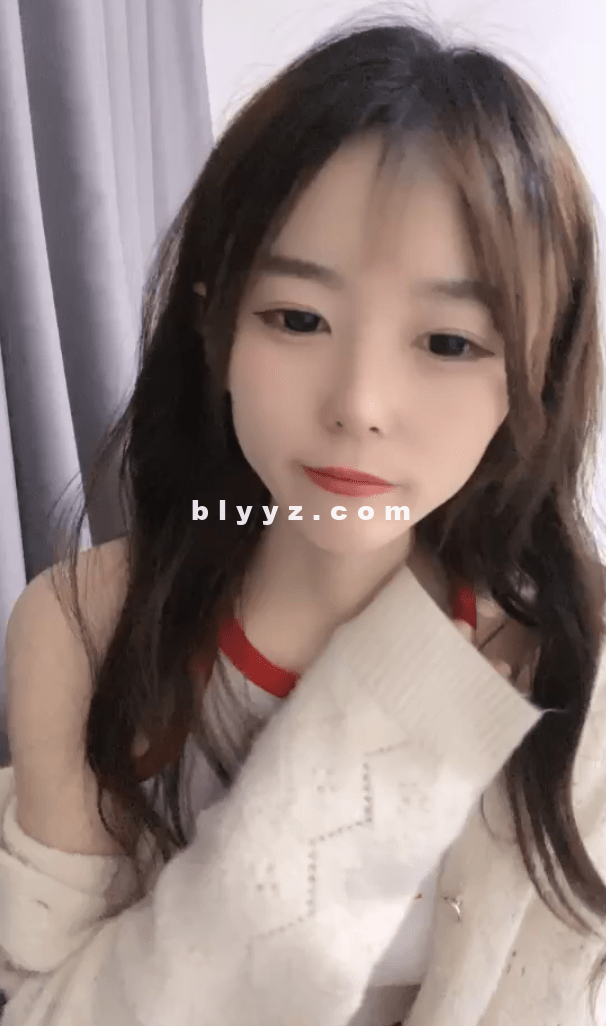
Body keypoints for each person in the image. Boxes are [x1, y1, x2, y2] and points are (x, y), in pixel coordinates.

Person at [1, 12, 606, 1026]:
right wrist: (381, 722)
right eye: (297, 318)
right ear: (215, 323)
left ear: (533, 374)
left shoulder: (574, 657)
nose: (359, 403)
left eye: (448, 342)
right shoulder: (86, 627)